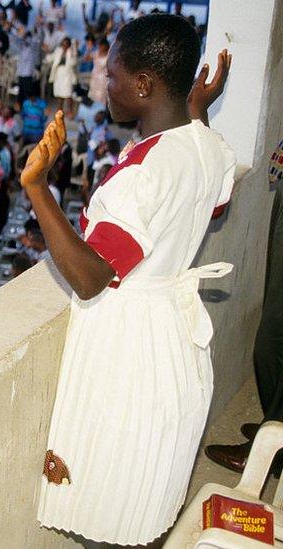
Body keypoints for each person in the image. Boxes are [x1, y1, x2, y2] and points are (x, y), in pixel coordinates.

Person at [23, 15, 234, 544]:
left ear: (143, 85)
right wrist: (197, 108)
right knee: (144, 484)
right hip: (171, 338)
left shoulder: (140, 179)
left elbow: (91, 277)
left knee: (112, 484)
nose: (104, 86)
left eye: (112, 76)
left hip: (130, 352)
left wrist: (37, 188)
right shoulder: (204, 144)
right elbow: (215, 200)